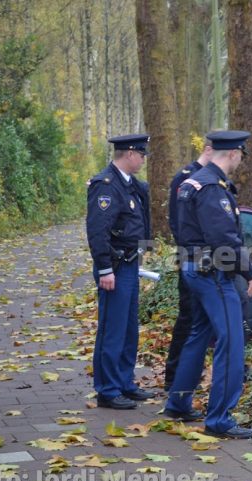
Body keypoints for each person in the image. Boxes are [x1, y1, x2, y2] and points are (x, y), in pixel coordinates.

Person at [164, 130, 252, 440]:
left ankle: (178, 402)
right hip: (214, 273)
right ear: (232, 153)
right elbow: (224, 239)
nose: (240, 161)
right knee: (230, 340)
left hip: (194, 267)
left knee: (198, 334)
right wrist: (249, 271)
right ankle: (219, 418)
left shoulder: (191, 182)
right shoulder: (211, 188)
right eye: (240, 156)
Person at [86, 134, 156, 410]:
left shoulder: (131, 186)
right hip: (113, 267)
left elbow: (139, 221)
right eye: (141, 154)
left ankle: (125, 382)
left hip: (130, 264)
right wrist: (104, 268)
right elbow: (97, 230)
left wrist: (145, 249)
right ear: (129, 154)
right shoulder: (106, 185)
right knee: (112, 330)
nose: (143, 159)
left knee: (128, 329)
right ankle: (108, 389)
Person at [164, 136, 215, 392]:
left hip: (211, 260)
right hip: (192, 257)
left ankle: (192, 375)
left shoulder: (211, 178)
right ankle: (173, 377)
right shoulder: (186, 177)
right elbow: (178, 222)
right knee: (188, 317)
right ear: (208, 150)